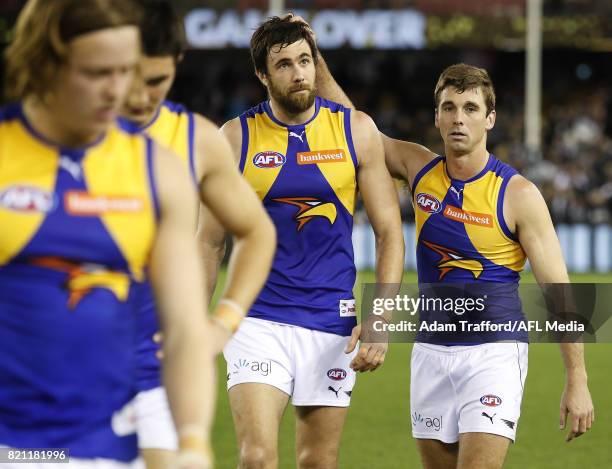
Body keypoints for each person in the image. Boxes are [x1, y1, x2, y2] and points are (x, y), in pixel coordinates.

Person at [310, 46, 595, 468]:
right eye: (449, 107)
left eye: (470, 108)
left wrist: (578, 378)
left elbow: (558, 290)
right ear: (437, 116)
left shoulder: (517, 195)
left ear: (490, 118)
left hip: (494, 354)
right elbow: (356, 127)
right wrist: (315, 63)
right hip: (431, 354)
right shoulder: (419, 168)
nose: (459, 117)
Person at [0, 0, 215, 467]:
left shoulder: (158, 171)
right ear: (45, 63)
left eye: (126, 71)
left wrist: (194, 441)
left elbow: (182, 329)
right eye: (97, 73)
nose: (116, 91)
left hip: (112, 448)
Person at [203, 16, 405, 469]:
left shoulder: (357, 131)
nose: (298, 73)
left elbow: (390, 232)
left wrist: (381, 317)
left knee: (318, 462)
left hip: (331, 324)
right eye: (283, 65)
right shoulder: (235, 138)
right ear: (262, 75)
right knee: (257, 457)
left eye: (305, 61)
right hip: (257, 321)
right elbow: (208, 244)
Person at [119, 1, 276, 468]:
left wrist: (221, 324)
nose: (139, 96)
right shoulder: (36, 141)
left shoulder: (195, 141)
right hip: (46, 379)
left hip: (155, 375)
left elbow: (255, 232)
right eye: (127, 76)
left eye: (156, 81)